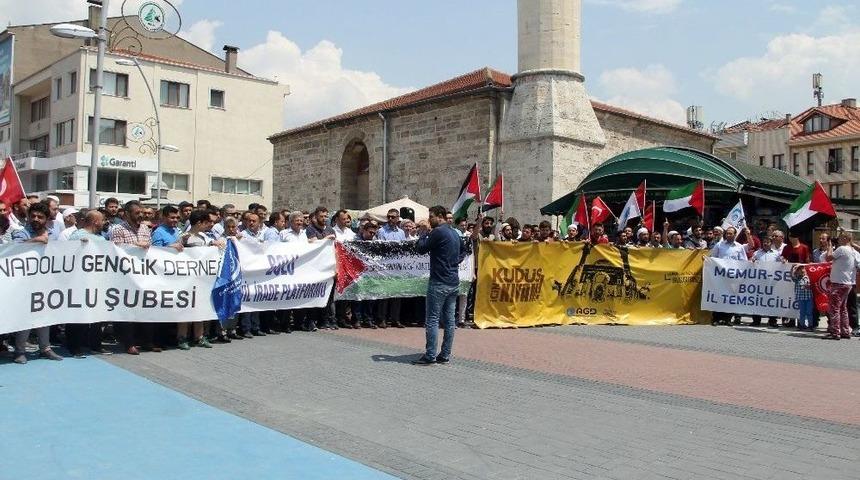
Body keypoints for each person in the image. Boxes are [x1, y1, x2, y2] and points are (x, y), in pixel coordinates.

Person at [412, 205, 468, 365]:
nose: (430, 219)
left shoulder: (438, 232)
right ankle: (445, 355)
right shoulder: (454, 233)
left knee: (432, 319)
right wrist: (453, 262)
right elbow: (464, 251)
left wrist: (423, 233)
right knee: (450, 321)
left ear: (440, 216)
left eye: (432, 216)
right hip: (453, 281)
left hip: (439, 282)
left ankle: (430, 355)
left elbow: (421, 249)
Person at [10, 201, 64, 364]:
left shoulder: (54, 235)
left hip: (46, 282)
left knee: (44, 316)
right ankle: (20, 351)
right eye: (32, 216)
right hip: (25, 283)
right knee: (25, 317)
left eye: (40, 217)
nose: (35, 219)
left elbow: (64, 253)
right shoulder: (22, 233)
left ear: (47, 219)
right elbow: (13, 250)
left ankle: (45, 348)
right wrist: (36, 241)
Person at [109, 200, 159, 355]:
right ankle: (129, 343)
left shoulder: (145, 228)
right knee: (128, 311)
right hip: (126, 276)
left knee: (146, 309)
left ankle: (147, 341)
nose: (140, 216)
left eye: (141, 213)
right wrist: (136, 246)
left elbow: (151, 249)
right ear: (127, 213)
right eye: (137, 213)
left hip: (144, 274)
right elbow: (117, 250)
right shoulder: (118, 229)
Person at [176, 210, 225, 349]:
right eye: (206, 222)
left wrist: (217, 243)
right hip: (187, 279)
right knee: (185, 309)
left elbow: (214, 243)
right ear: (199, 223)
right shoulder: (184, 237)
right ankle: (182, 337)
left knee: (200, 308)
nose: (209, 225)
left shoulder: (203, 237)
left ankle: (199, 337)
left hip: (202, 279)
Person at [708, 226, 749, 326]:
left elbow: (744, 261)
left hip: (733, 277)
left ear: (735, 235)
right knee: (719, 296)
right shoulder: (719, 245)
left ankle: (727, 319)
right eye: (727, 233)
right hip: (721, 276)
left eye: (731, 233)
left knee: (730, 297)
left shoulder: (739, 247)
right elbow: (713, 258)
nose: (729, 235)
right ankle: (716, 318)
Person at [824, 231, 859, 340]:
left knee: (834, 308)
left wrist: (829, 246)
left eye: (840, 238)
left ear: (845, 238)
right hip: (847, 283)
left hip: (839, 283)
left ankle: (835, 332)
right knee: (843, 308)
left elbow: (828, 258)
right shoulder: (854, 251)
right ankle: (845, 331)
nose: (838, 240)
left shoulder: (842, 249)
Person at [750, 234, 782, 327]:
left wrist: (784, 262)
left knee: (771, 301)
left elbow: (782, 264)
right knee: (757, 301)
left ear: (771, 243)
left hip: (772, 282)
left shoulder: (776, 253)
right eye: (764, 242)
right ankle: (756, 320)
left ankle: (772, 320)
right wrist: (751, 260)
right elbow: (751, 261)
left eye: (767, 242)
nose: (765, 244)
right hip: (759, 281)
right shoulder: (757, 253)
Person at [791, 265, 815, 331]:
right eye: (799, 270)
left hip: (808, 297)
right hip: (800, 298)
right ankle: (802, 325)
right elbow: (792, 275)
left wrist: (808, 286)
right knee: (802, 312)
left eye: (802, 269)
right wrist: (793, 268)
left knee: (809, 312)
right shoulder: (797, 278)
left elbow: (812, 286)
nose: (801, 271)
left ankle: (810, 326)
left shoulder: (809, 277)